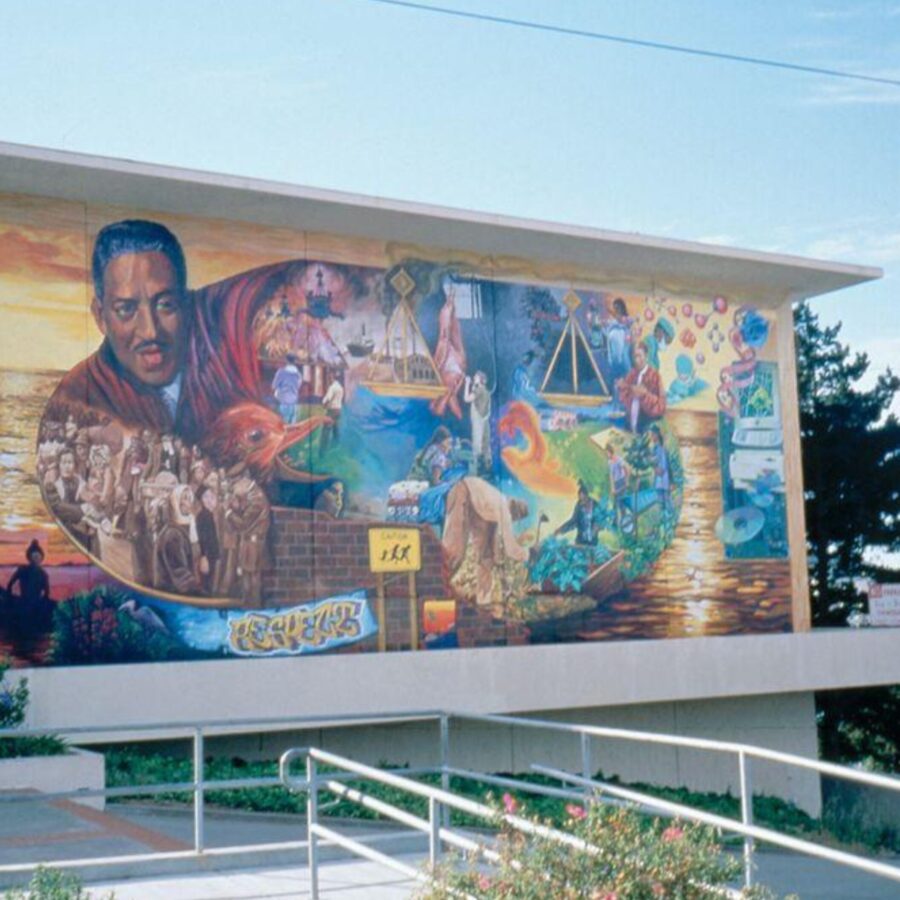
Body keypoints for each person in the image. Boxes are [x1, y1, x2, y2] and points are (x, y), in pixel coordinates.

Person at [45, 219, 296, 444]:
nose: (150, 330)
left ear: (186, 305)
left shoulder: (222, 366)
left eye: (165, 305)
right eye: (126, 309)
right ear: (101, 317)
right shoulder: (77, 396)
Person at [430, 284, 467, 419]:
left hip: (445, 364)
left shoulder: (441, 393)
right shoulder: (450, 395)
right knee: (453, 332)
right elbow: (457, 411)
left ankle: (450, 302)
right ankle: (451, 303)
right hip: (455, 365)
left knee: (445, 333)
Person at [156, 485, 201, 595]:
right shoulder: (173, 534)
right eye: (184, 498)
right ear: (176, 502)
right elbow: (179, 574)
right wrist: (196, 591)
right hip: (172, 592)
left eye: (190, 498)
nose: (188, 503)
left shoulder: (187, 528)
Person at [616, 340, 666, 433]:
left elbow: (661, 408)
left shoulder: (655, 376)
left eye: (639, 356)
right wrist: (622, 388)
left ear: (646, 356)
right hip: (630, 428)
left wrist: (645, 395)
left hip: (647, 430)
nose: (637, 360)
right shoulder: (631, 375)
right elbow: (625, 401)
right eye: (634, 357)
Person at [5, 540, 52, 626]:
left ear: (41, 558)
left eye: (38, 556)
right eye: (34, 556)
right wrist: (9, 597)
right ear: (29, 557)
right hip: (24, 601)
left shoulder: (43, 574)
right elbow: (10, 584)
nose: (36, 558)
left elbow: (47, 592)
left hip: (36, 602)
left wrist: (43, 602)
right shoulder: (22, 569)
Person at [556, 480, 605, 547]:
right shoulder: (579, 506)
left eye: (584, 499)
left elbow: (601, 521)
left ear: (587, 496)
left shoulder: (595, 506)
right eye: (581, 499)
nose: (582, 502)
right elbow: (573, 521)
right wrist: (560, 530)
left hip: (592, 543)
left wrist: (596, 528)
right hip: (580, 542)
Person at [463, 371, 492, 474]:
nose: (474, 378)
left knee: (477, 443)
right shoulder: (486, 392)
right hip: (484, 420)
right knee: (485, 444)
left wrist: (466, 384)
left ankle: (476, 469)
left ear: (480, 380)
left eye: (476, 377)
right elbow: (488, 409)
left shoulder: (478, 390)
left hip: (478, 420)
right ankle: (487, 467)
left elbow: (466, 399)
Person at [195, 485, 221, 595]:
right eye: (206, 497)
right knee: (206, 580)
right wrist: (204, 556)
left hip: (212, 553)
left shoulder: (209, 514)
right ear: (201, 500)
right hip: (207, 554)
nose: (209, 500)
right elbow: (203, 538)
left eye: (211, 496)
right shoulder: (203, 516)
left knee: (210, 579)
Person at [272, 353, 303, 424]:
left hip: (283, 402)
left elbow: (274, 386)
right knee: (293, 426)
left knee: (283, 425)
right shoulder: (298, 375)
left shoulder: (281, 372)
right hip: (294, 402)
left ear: (286, 360)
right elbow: (298, 386)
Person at [605, 443, 631, 529]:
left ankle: (626, 523)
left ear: (610, 451)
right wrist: (612, 487)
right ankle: (615, 523)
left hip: (621, 482)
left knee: (622, 504)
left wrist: (626, 481)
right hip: (616, 483)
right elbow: (611, 476)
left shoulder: (619, 460)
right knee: (615, 504)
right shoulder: (609, 462)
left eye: (607, 452)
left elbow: (627, 469)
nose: (607, 454)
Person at [319, 372, 344, 454]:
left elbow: (328, 398)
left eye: (329, 378)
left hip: (332, 411)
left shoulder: (332, 387)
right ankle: (336, 449)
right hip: (338, 410)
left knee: (325, 431)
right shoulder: (340, 387)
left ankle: (322, 451)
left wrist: (324, 405)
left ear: (332, 378)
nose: (328, 380)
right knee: (335, 430)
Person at [650, 426, 672, 519]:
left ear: (657, 435)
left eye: (652, 435)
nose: (651, 437)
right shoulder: (655, 448)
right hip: (660, 480)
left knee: (665, 501)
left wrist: (655, 467)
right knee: (661, 502)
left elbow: (663, 467)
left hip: (663, 479)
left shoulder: (660, 448)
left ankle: (668, 518)